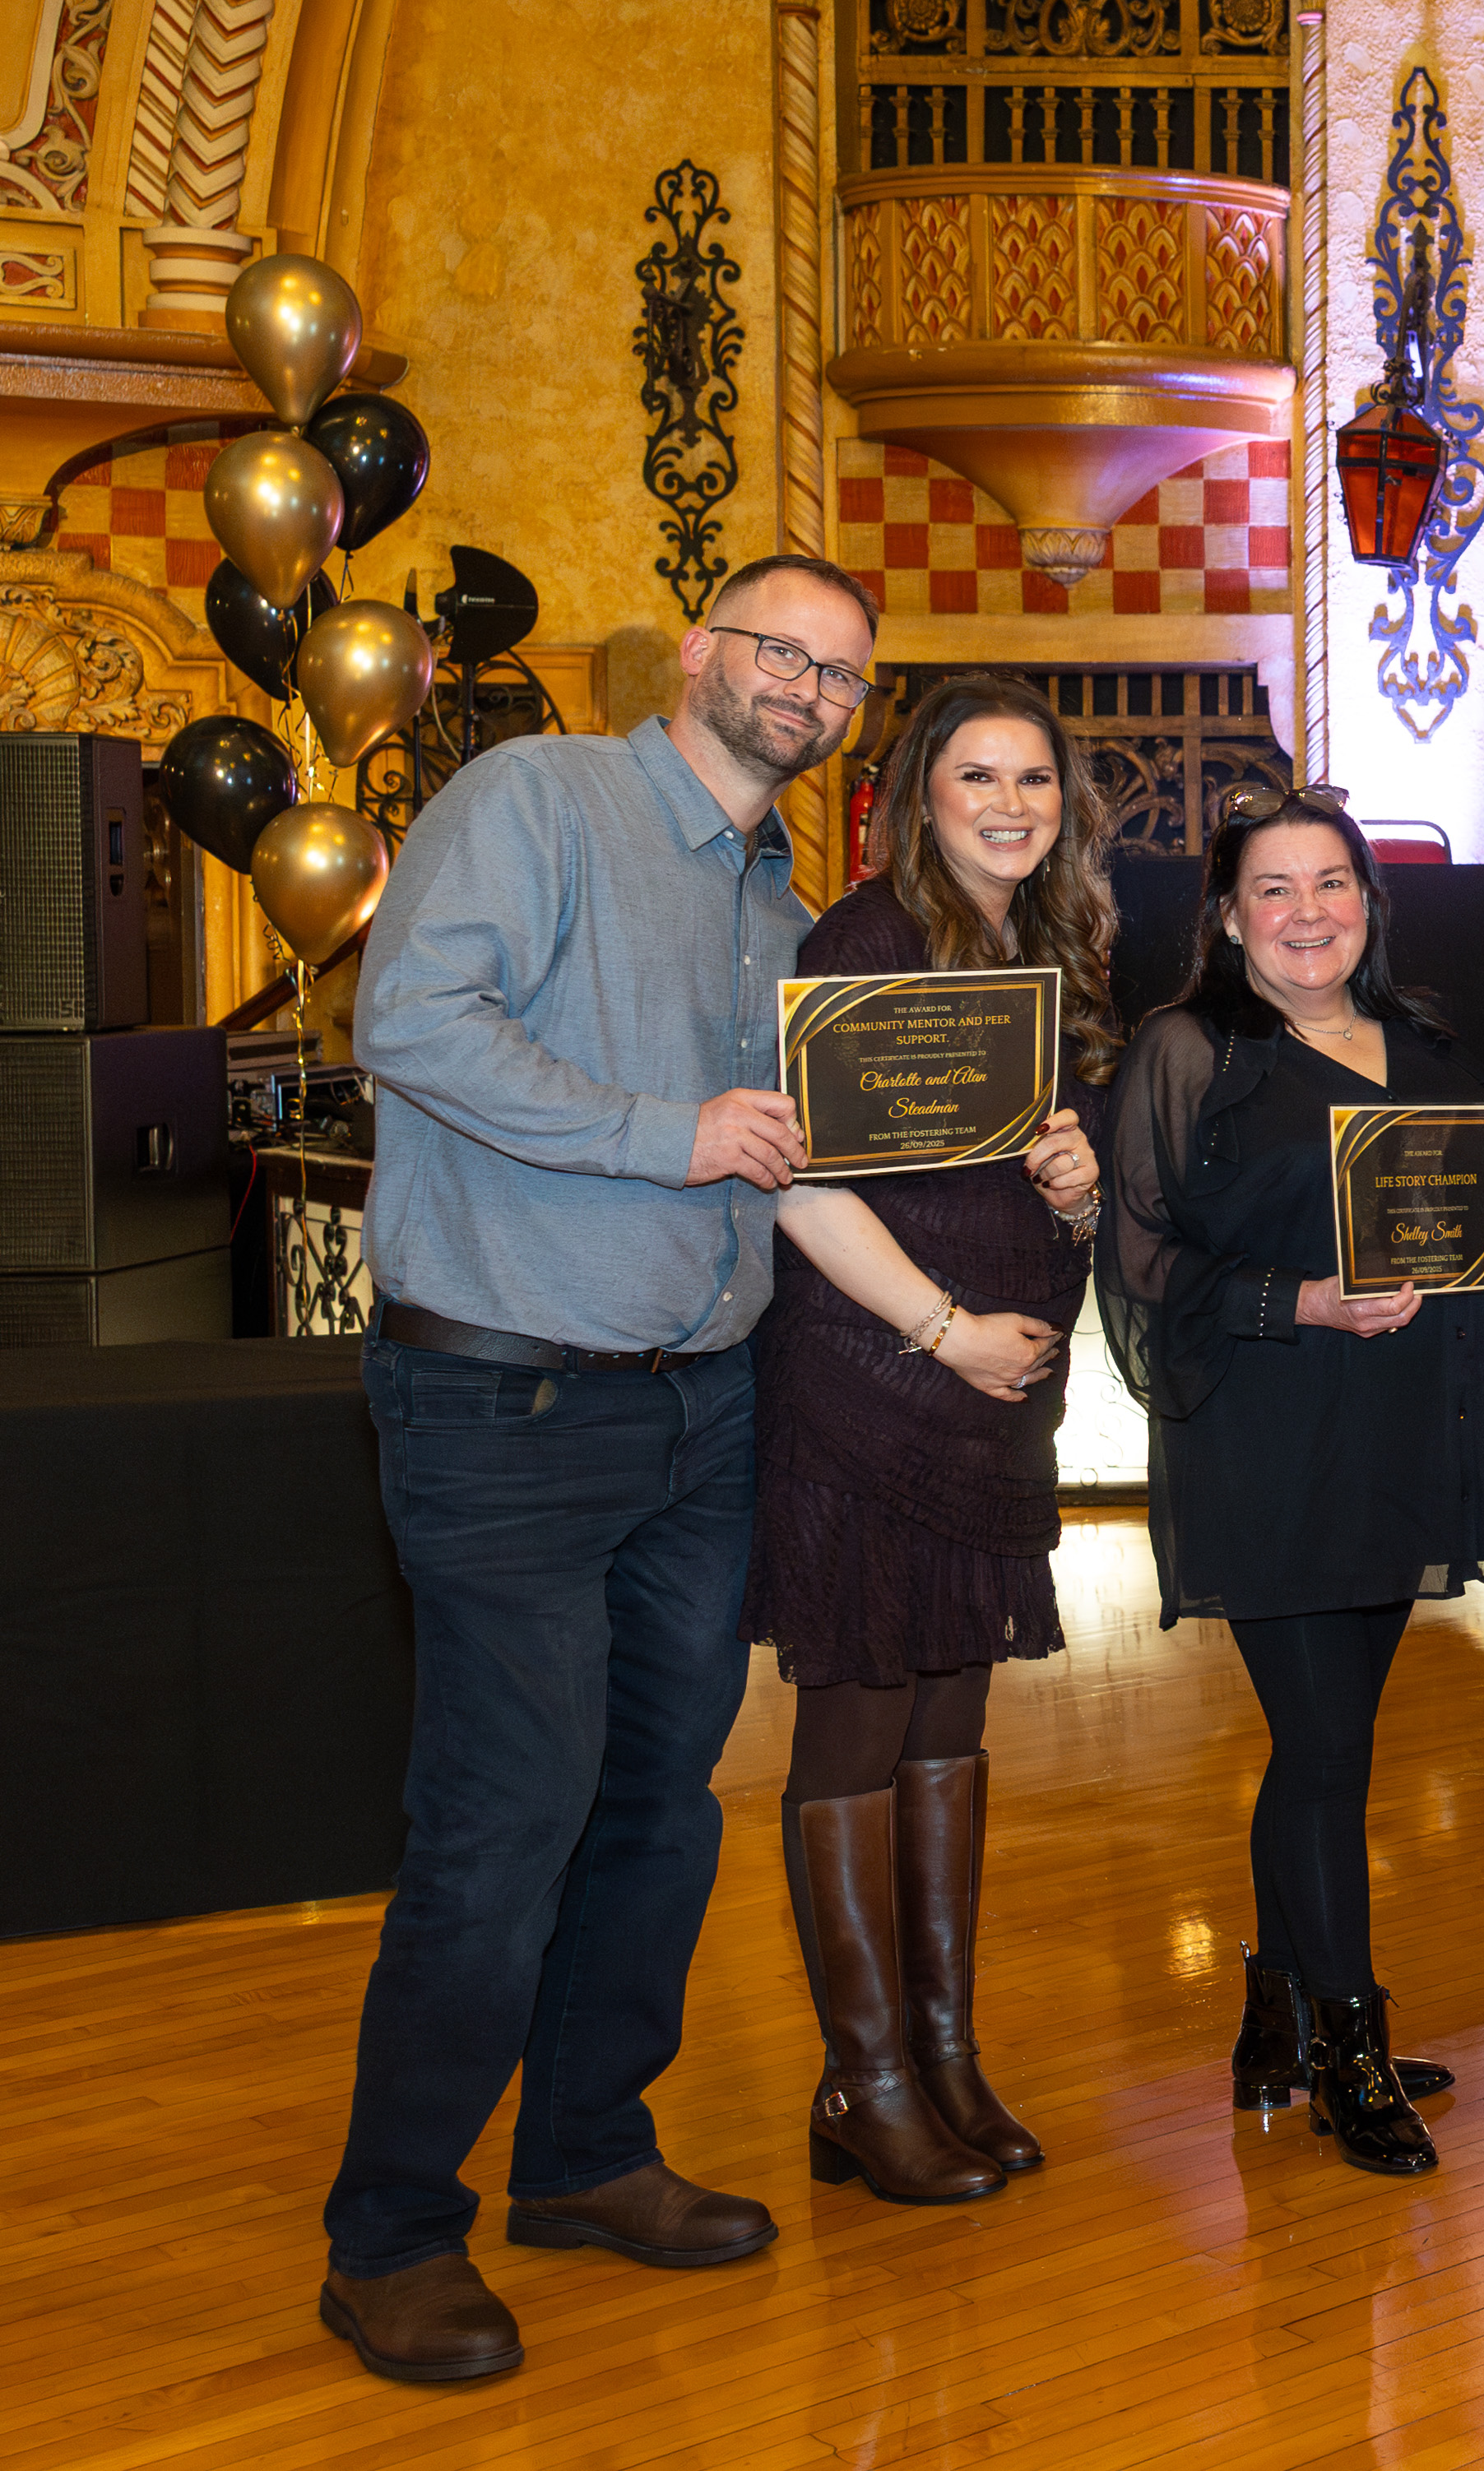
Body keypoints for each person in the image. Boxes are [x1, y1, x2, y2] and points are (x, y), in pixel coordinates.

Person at [318, 552, 879, 2383]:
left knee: (657, 1806)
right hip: (505, 1401)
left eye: (844, 677)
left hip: (700, 1409)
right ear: (704, 650)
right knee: (506, 1819)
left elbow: (795, 1150)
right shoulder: (536, 796)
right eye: (783, 651)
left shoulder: (785, 885)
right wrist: (670, 1132)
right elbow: (404, 1023)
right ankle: (391, 2230)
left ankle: (584, 2154)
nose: (808, 690)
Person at [1096, 790, 1484, 2179]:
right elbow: (1141, 1258)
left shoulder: (1424, 1041)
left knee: (1326, 1742)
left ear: (1369, 900)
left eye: (1332, 883)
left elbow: (1454, 1223)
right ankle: (1349, 2040)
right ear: (1228, 915)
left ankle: (1278, 2018)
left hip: (1401, 1432)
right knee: (1326, 1749)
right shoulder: (1190, 1049)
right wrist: (1295, 1301)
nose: (1308, 911)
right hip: (1268, 1435)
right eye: (1273, 889)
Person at [744, 675, 1117, 2204]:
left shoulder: (1055, 948)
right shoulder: (860, 943)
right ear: (917, 794)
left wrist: (1078, 1184)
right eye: (979, 776)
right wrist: (943, 1330)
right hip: (869, 1385)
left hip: (996, 1405)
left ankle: (947, 2057)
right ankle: (865, 2079)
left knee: (948, 1733)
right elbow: (800, 1184)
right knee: (856, 1723)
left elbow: (1053, 1185)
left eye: (1035, 777)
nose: (1011, 803)